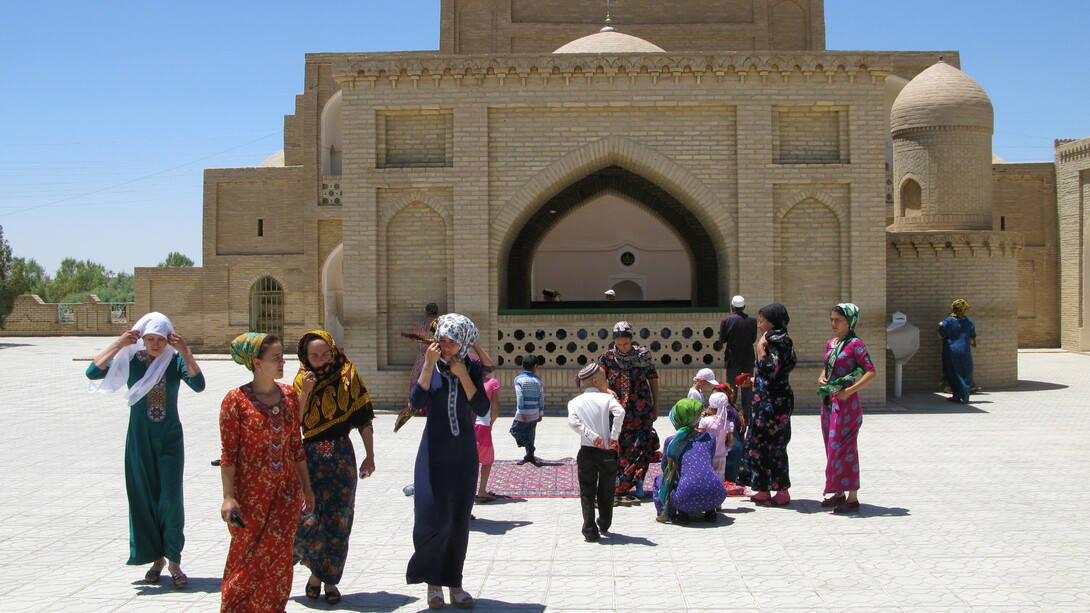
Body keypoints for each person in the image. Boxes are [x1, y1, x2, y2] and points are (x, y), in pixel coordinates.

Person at [86, 312, 204, 587]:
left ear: (167, 339)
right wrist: (119, 343)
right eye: (149, 339)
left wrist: (185, 351)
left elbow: (198, 385)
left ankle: (174, 560)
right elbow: (93, 372)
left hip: (170, 439)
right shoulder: (132, 360)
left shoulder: (173, 360)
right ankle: (155, 560)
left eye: (160, 339)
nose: (155, 344)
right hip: (139, 438)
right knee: (144, 497)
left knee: (170, 500)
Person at [219, 333, 315, 612]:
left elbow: (295, 446)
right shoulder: (235, 401)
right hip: (250, 495)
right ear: (257, 363)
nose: (282, 362)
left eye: (282, 357)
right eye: (276, 358)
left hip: (285, 493)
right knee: (246, 558)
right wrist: (228, 497)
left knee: (280, 559)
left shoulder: (288, 395)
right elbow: (229, 454)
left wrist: (306, 487)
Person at [406, 313, 490, 609]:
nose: (446, 345)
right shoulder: (429, 364)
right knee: (430, 518)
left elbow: (481, 406)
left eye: (453, 340)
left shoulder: (473, 366)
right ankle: (432, 584)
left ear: (464, 341)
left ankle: (455, 583)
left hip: (463, 455)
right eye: (442, 339)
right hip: (433, 454)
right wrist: (429, 365)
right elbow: (416, 403)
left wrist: (464, 374)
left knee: (457, 521)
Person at [293, 330, 376, 605]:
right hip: (310, 458)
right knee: (310, 517)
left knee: (339, 521)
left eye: (324, 354)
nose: (319, 359)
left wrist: (370, 456)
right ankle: (315, 572)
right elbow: (294, 421)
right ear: (305, 356)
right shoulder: (300, 380)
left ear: (333, 351)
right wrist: (305, 390)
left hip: (341, 456)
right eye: (313, 355)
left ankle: (328, 580)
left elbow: (364, 419)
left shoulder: (348, 376)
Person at [817, 303, 877, 513]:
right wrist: (822, 376)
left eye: (838, 320)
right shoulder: (832, 343)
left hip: (847, 405)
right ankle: (838, 492)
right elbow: (828, 364)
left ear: (850, 321)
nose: (834, 323)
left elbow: (870, 371)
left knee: (845, 448)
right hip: (829, 402)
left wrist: (849, 391)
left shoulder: (855, 344)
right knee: (831, 447)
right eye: (832, 319)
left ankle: (852, 497)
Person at [736, 303, 797, 507]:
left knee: (775, 446)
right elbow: (769, 376)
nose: (759, 325)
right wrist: (753, 382)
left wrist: (761, 349)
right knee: (759, 444)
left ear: (772, 322)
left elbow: (770, 369)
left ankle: (781, 491)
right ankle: (763, 489)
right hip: (765, 401)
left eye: (762, 321)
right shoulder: (772, 340)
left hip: (774, 404)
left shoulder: (778, 342)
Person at [597, 321, 660, 500]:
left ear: (632, 340)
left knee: (640, 446)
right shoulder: (607, 358)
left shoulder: (643, 355)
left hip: (641, 410)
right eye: (619, 344)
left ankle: (639, 481)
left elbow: (653, 380)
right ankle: (620, 482)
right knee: (621, 447)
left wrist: (655, 406)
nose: (623, 348)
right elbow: (598, 380)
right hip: (617, 412)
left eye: (626, 343)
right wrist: (607, 390)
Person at [567, 363, 624, 542]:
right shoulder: (607, 399)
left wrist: (591, 437)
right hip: (607, 452)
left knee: (587, 491)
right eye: (605, 379)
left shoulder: (574, 402)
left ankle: (589, 530)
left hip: (586, 452)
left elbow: (573, 422)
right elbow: (620, 412)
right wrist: (614, 436)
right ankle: (604, 523)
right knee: (607, 490)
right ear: (595, 381)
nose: (607, 382)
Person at [653, 399, 727, 523]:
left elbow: (666, 469)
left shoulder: (672, 442)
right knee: (703, 476)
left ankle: (674, 513)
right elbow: (707, 462)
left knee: (660, 480)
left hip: (685, 499)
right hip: (717, 495)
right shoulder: (710, 438)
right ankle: (710, 512)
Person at [719, 295, 758, 434]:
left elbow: (722, 339)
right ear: (744, 307)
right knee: (748, 388)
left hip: (732, 359)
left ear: (732, 307)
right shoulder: (752, 320)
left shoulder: (726, 320)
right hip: (747, 358)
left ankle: (733, 418)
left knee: (731, 389)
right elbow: (753, 338)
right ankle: (747, 419)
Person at [939, 299, 977, 404]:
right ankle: (964, 395)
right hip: (964, 350)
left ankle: (956, 395)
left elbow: (941, 334)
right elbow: (972, 337)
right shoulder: (969, 322)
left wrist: (940, 325)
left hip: (950, 350)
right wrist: (974, 343)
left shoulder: (948, 321)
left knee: (952, 372)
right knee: (965, 372)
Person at [511, 354, 545, 466]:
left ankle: (527, 445)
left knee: (515, 430)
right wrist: (540, 413)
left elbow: (519, 396)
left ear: (522, 366)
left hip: (523, 413)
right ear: (536, 366)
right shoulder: (538, 380)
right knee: (530, 433)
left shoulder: (519, 380)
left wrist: (521, 412)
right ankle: (530, 456)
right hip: (534, 412)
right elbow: (541, 397)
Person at [475, 365, 501, 502]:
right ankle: (482, 490)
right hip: (483, 425)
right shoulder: (492, 383)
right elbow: (495, 410)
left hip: (466, 426)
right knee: (487, 459)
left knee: (468, 460)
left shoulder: (464, 382)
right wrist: (490, 424)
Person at [699, 391, 735, 481]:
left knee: (706, 479)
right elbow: (731, 441)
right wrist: (726, 448)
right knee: (719, 480)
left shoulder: (705, 421)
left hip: (707, 455)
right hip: (721, 456)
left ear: (710, 407)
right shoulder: (728, 423)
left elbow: (700, 437)